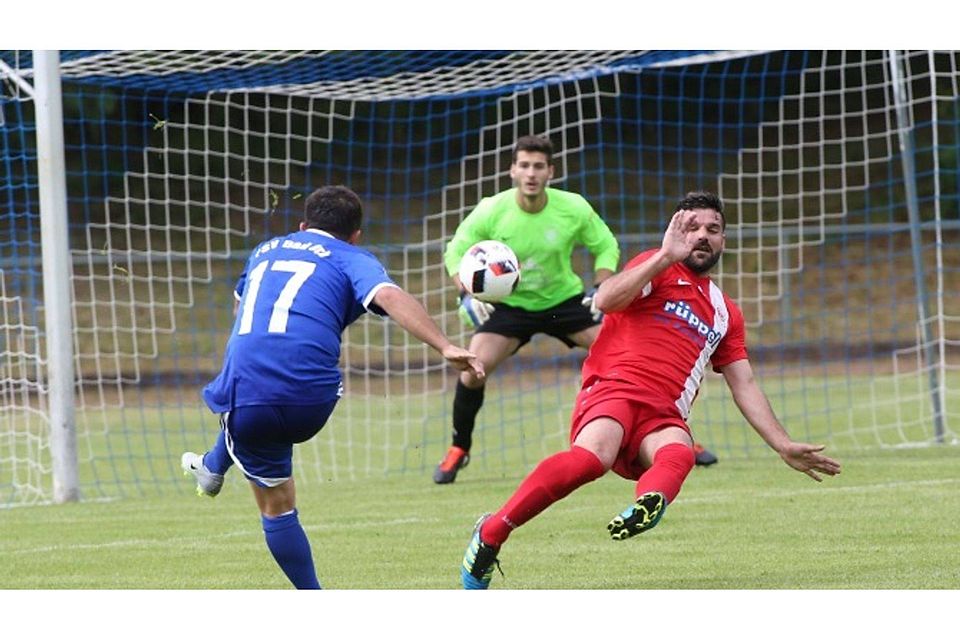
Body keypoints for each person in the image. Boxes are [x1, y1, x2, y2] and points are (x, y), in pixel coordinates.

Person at [459, 190, 841, 589]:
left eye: (713, 229)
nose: (702, 236)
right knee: (593, 459)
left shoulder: (726, 312)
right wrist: (663, 256)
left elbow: (743, 382)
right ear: (675, 232)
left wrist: (782, 443)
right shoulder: (655, 268)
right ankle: (492, 533)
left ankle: (648, 503)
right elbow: (606, 299)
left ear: (723, 241)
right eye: (691, 227)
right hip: (615, 390)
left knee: (678, 450)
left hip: (663, 412)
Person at [180, 185, 483, 589]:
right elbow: (389, 296)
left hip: (250, 394)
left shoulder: (265, 250)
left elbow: (241, 307)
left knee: (276, 504)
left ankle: (316, 601)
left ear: (303, 225)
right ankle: (213, 466)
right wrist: (445, 345)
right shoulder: (351, 256)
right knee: (252, 417)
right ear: (356, 234)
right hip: (316, 398)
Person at [435, 134, 718, 484]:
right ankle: (458, 448)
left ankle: (673, 438)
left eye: (539, 166)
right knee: (472, 370)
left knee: (630, 353)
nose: (531, 173)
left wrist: (601, 285)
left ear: (550, 171)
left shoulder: (572, 207)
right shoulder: (492, 209)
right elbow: (456, 252)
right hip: (509, 308)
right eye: (524, 165)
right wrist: (466, 293)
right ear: (512, 170)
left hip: (564, 304)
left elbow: (605, 245)